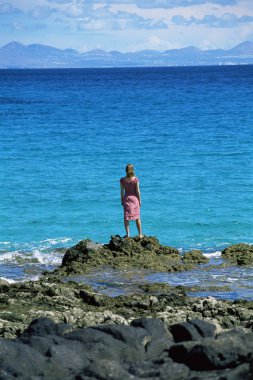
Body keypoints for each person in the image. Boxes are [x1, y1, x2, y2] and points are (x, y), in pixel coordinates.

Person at [120, 164, 143, 238]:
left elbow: (122, 192)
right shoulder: (136, 179)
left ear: (126, 170)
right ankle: (140, 234)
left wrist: (122, 200)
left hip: (126, 199)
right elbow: (138, 191)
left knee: (126, 217)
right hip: (135, 199)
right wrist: (140, 200)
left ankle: (128, 234)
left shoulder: (122, 180)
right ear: (133, 170)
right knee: (137, 217)